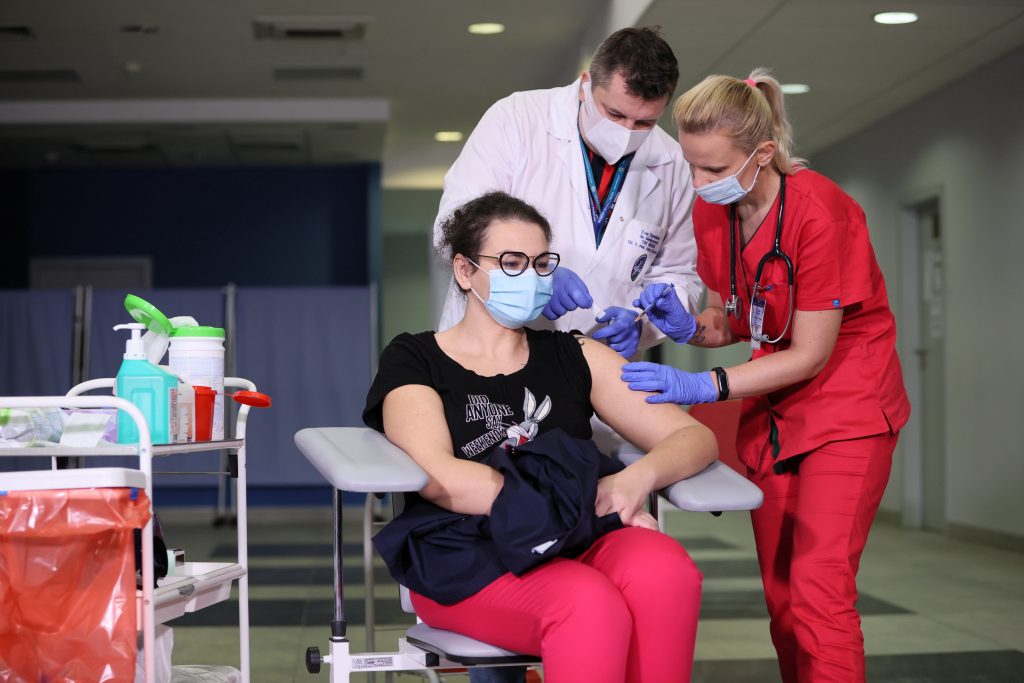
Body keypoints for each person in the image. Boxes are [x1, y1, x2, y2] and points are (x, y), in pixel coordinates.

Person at [620, 70, 911, 682]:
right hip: (775, 416)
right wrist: (687, 327)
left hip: (848, 413)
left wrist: (706, 385)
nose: (699, 184)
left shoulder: (823, 214)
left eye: (714, 170)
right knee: (782, 602)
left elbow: (808, 354)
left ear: (762, 154)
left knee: (818, 592)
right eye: (691, 166)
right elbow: (734, 320)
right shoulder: (715, 216)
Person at [364, 192, 716, 683]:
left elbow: (693, 437)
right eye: (511, 263)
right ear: (464, 271)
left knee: (666, 574)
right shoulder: (415, 358)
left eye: (541, 264)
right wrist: (582, 501)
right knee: (588, 606)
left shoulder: (575, 354)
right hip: (465, 551)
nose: (529, 276)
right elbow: (441, 478)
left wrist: (633, 481)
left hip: (577, 535)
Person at [433, 26, 702, 361]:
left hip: (598, 361)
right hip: (488, 351)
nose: (626, 132)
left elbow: (679, 274)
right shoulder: (517, 119)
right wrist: (535, 276)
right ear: (586, 85)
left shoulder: (672, 162)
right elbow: (456, 226)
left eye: (644, 123)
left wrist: (641, 323)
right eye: (615, 114)